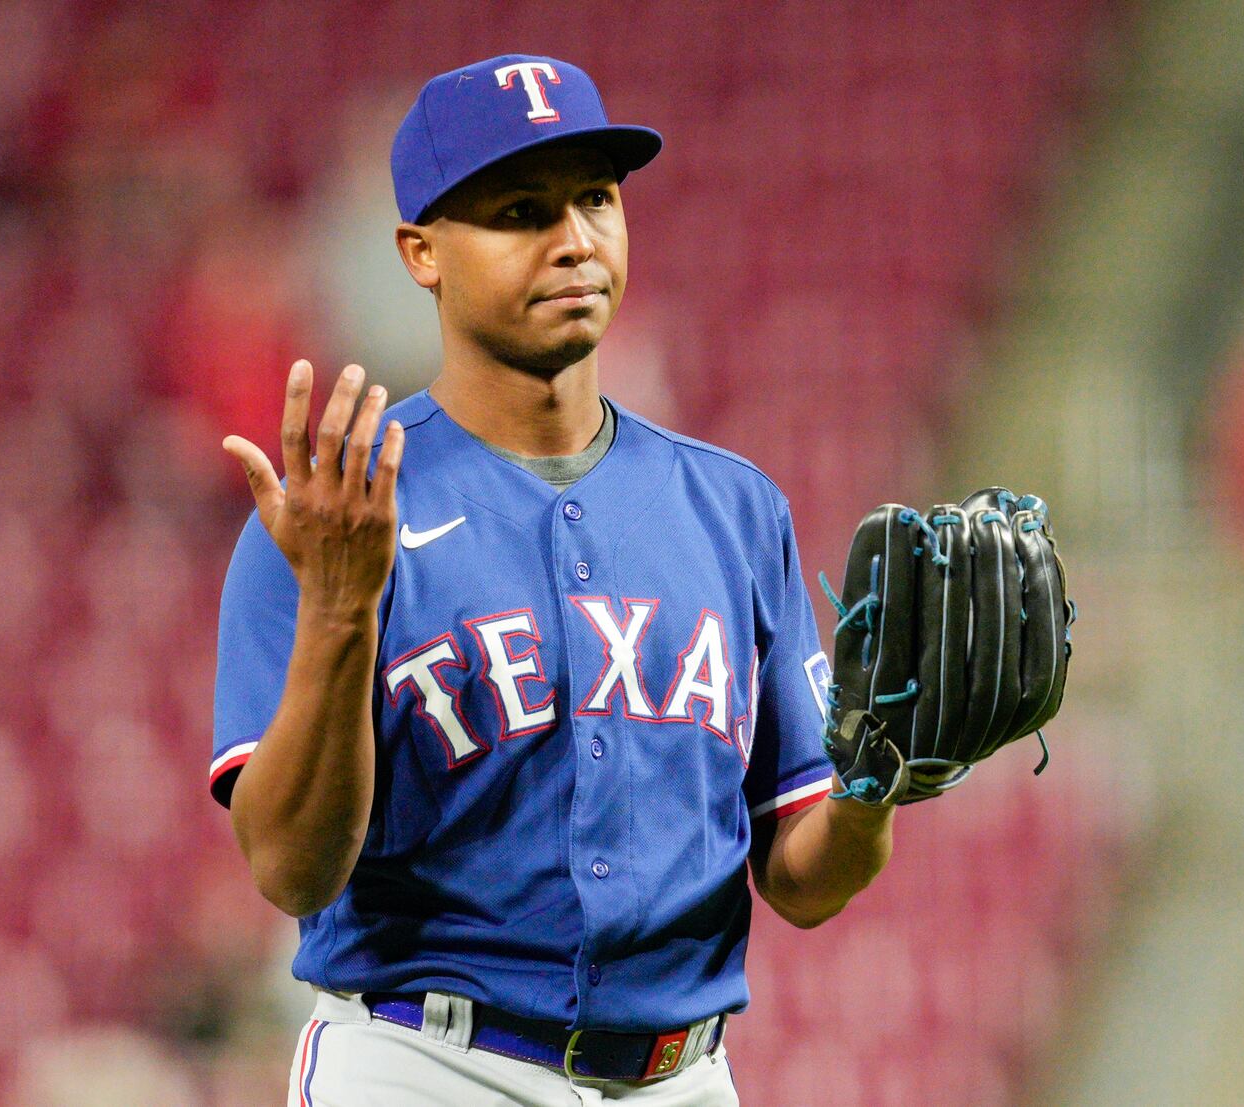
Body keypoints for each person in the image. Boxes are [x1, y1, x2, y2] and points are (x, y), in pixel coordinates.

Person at [212, 55, 894, 1106]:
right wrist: (344, 604)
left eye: (595, 198)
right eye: (522, 211)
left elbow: (802, 880)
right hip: (424, 1064)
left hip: (683, 1076)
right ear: (420, 252)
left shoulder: (734, 507)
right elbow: (294, 872)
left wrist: (883, 782)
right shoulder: (331, 515)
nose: (574, 239)